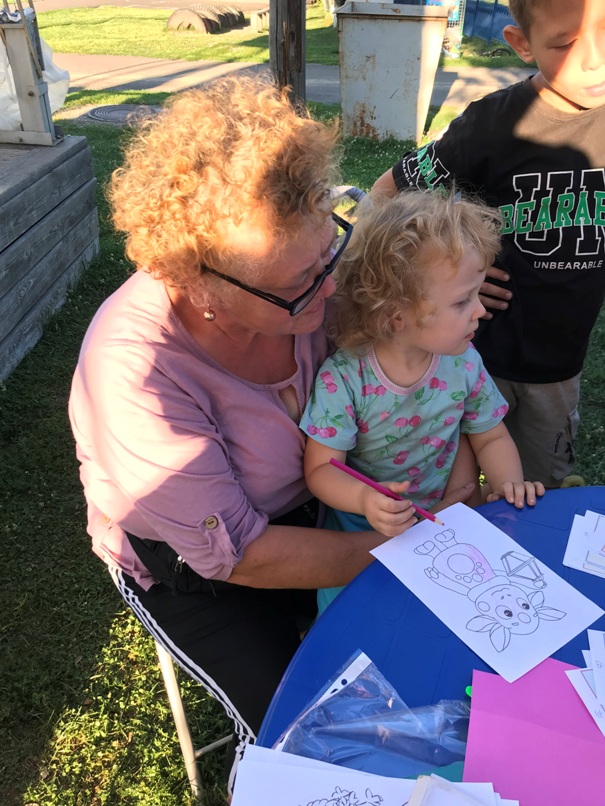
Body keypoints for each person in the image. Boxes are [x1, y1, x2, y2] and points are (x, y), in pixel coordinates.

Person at [68, 74, 476, 793]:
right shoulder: (137, 373)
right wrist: (409, 550)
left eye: (328, 254)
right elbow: (244, 557)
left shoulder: (310, 274)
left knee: (426, 674)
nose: (332, 288)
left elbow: (408, 328)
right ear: (199, 284)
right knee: (304, 740)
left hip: (336, 506)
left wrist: (440, 300)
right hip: (206, 571)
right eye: (298, 285)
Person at [372, 0, 605, 489]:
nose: (594, 59)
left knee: (540, 487)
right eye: (565, 44)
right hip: (476, 356)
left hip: (560, 364)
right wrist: (446, 279)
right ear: (522, 44)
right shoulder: (491, 125)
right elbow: (386, 195)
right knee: (456, 488)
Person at [300, 191, 544, 613]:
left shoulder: (463, 362)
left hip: (447, 517)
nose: (480, 311)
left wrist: (507, 488)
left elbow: (490, 437)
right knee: (365, 618)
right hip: (364, 526)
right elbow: (322, 469)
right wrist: (365, 501)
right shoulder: (344, 378)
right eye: (462, 301)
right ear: (398, 315)